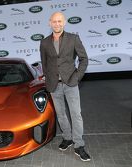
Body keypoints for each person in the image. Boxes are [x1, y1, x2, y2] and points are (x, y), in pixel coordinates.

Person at [40, 12, 91, 162]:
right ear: (50, 23)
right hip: (54, 85)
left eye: (59, 21)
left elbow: (84, 59)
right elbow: (45, 63)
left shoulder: (73, 38)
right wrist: (49, 79)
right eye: (54, 21)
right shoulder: (44, 42)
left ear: (65, 22)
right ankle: (67, 137)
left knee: (76, 114)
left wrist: (76, 77)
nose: (57, 24)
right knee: (61, 114)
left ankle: (79, 144)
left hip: (71, 83)